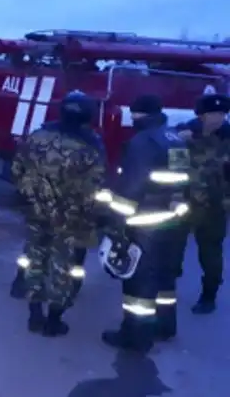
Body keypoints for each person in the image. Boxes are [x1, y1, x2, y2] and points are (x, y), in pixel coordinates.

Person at [96, 94, 191, 353]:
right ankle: (165, 326)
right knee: (164, 277)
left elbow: (132, 187)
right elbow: (183, 181)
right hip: (172, 221)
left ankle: (136, 337)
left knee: (139, 283)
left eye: (133, 114)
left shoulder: (142, 142)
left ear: (140, 114)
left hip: (144, 222)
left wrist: (116, 223)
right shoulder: (174, 138)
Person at [11, 90, 106, 336]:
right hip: (70, 218)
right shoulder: (91, 146)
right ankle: (54, 321)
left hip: (35, 211)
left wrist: (30, 196)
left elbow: (17, 169)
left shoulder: (37, 136)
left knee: (35, 259)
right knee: (62, 267)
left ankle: (34, 314)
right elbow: (93, 189)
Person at [174, 87, 230, 314]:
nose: (218, 118)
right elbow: (174, 168)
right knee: (172, 250)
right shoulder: (183, 136)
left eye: (222, 114)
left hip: (215, 207)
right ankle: (166, 289)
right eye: (213, 114)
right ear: (201, 116)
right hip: (183, 204)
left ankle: (209, 296)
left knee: (211, 255)